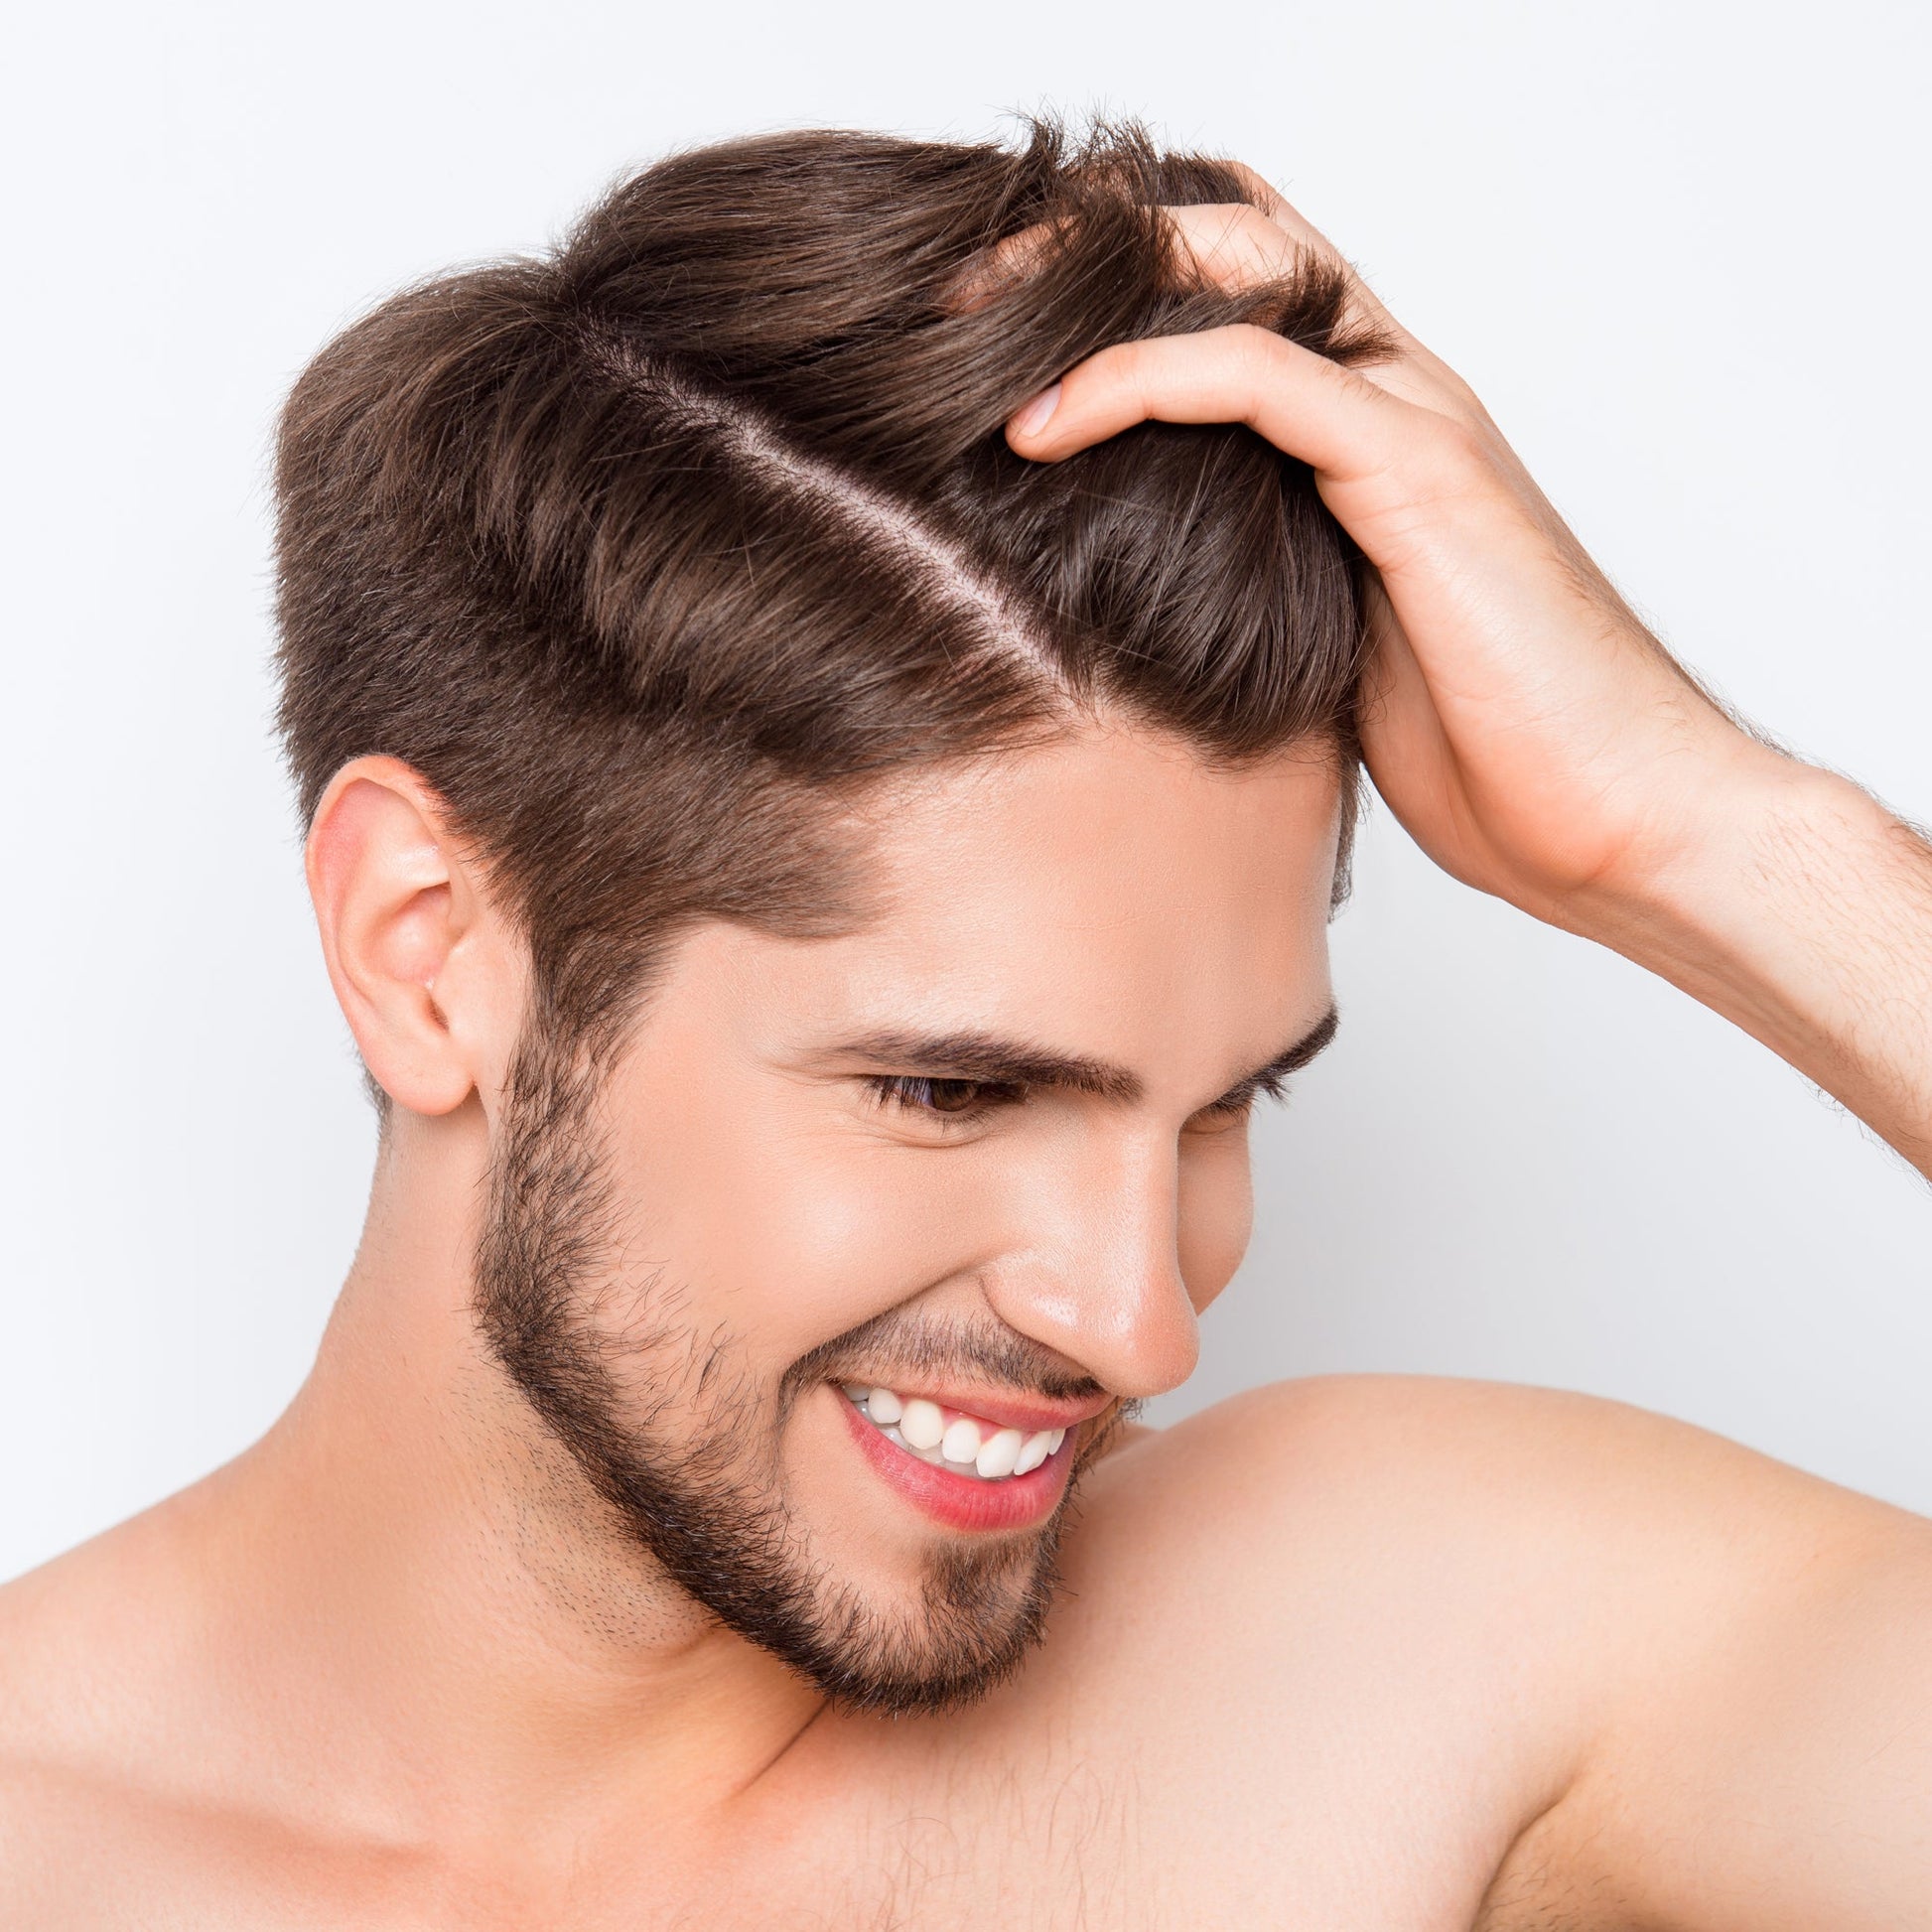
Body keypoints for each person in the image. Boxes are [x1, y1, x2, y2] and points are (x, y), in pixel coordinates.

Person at [2, 120, 1927, 1929]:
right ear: (427, 950)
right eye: (950, 1086)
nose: (1137, 1321)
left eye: (1221, 1106)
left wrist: (1718, 842)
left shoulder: (1395, 1652)